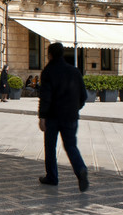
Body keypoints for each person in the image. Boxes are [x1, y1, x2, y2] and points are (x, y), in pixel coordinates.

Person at [38, 42, 89, 192]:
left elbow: (45, 96)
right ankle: (80, 169)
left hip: (53, 116)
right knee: (71, 145)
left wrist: (42, 117)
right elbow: (83, 96)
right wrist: (74, 108)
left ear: (50, 55)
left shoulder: (48, 71)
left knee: (50, 147)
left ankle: (52, 177)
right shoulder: (74, 71)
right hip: (70, 116)